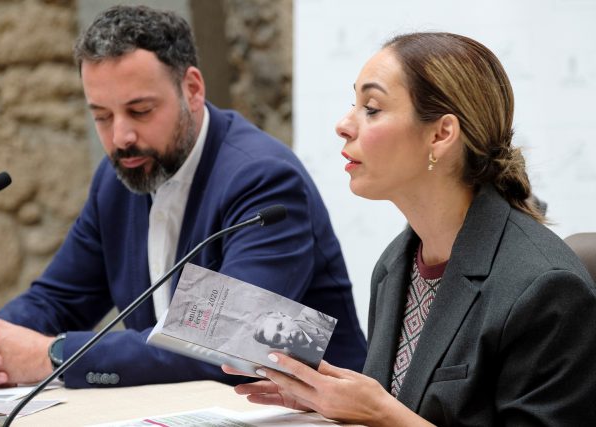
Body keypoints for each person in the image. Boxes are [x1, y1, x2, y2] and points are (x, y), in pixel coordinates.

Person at [0, 5, 367, 389]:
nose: (120, 137)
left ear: (191, 89)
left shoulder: (262, 179)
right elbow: (60, 297)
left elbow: (226, 343)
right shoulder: (117, 179)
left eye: (139, 111)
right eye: (101, 116)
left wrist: (52, 354)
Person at [223, 32, 596, 426]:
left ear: (440, 135)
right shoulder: (393, 266)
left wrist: (382, 414)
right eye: (354, 104)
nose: (343, 125)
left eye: (371, 108)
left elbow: (394, 415)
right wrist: (331, 403)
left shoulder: (545, 288)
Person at [253, 310, 336, 365]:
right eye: (277, 338)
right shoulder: (295, 363)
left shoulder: (313, 313)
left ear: (285, 316)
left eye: (281, 326)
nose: (286, 335)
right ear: (277, 346)